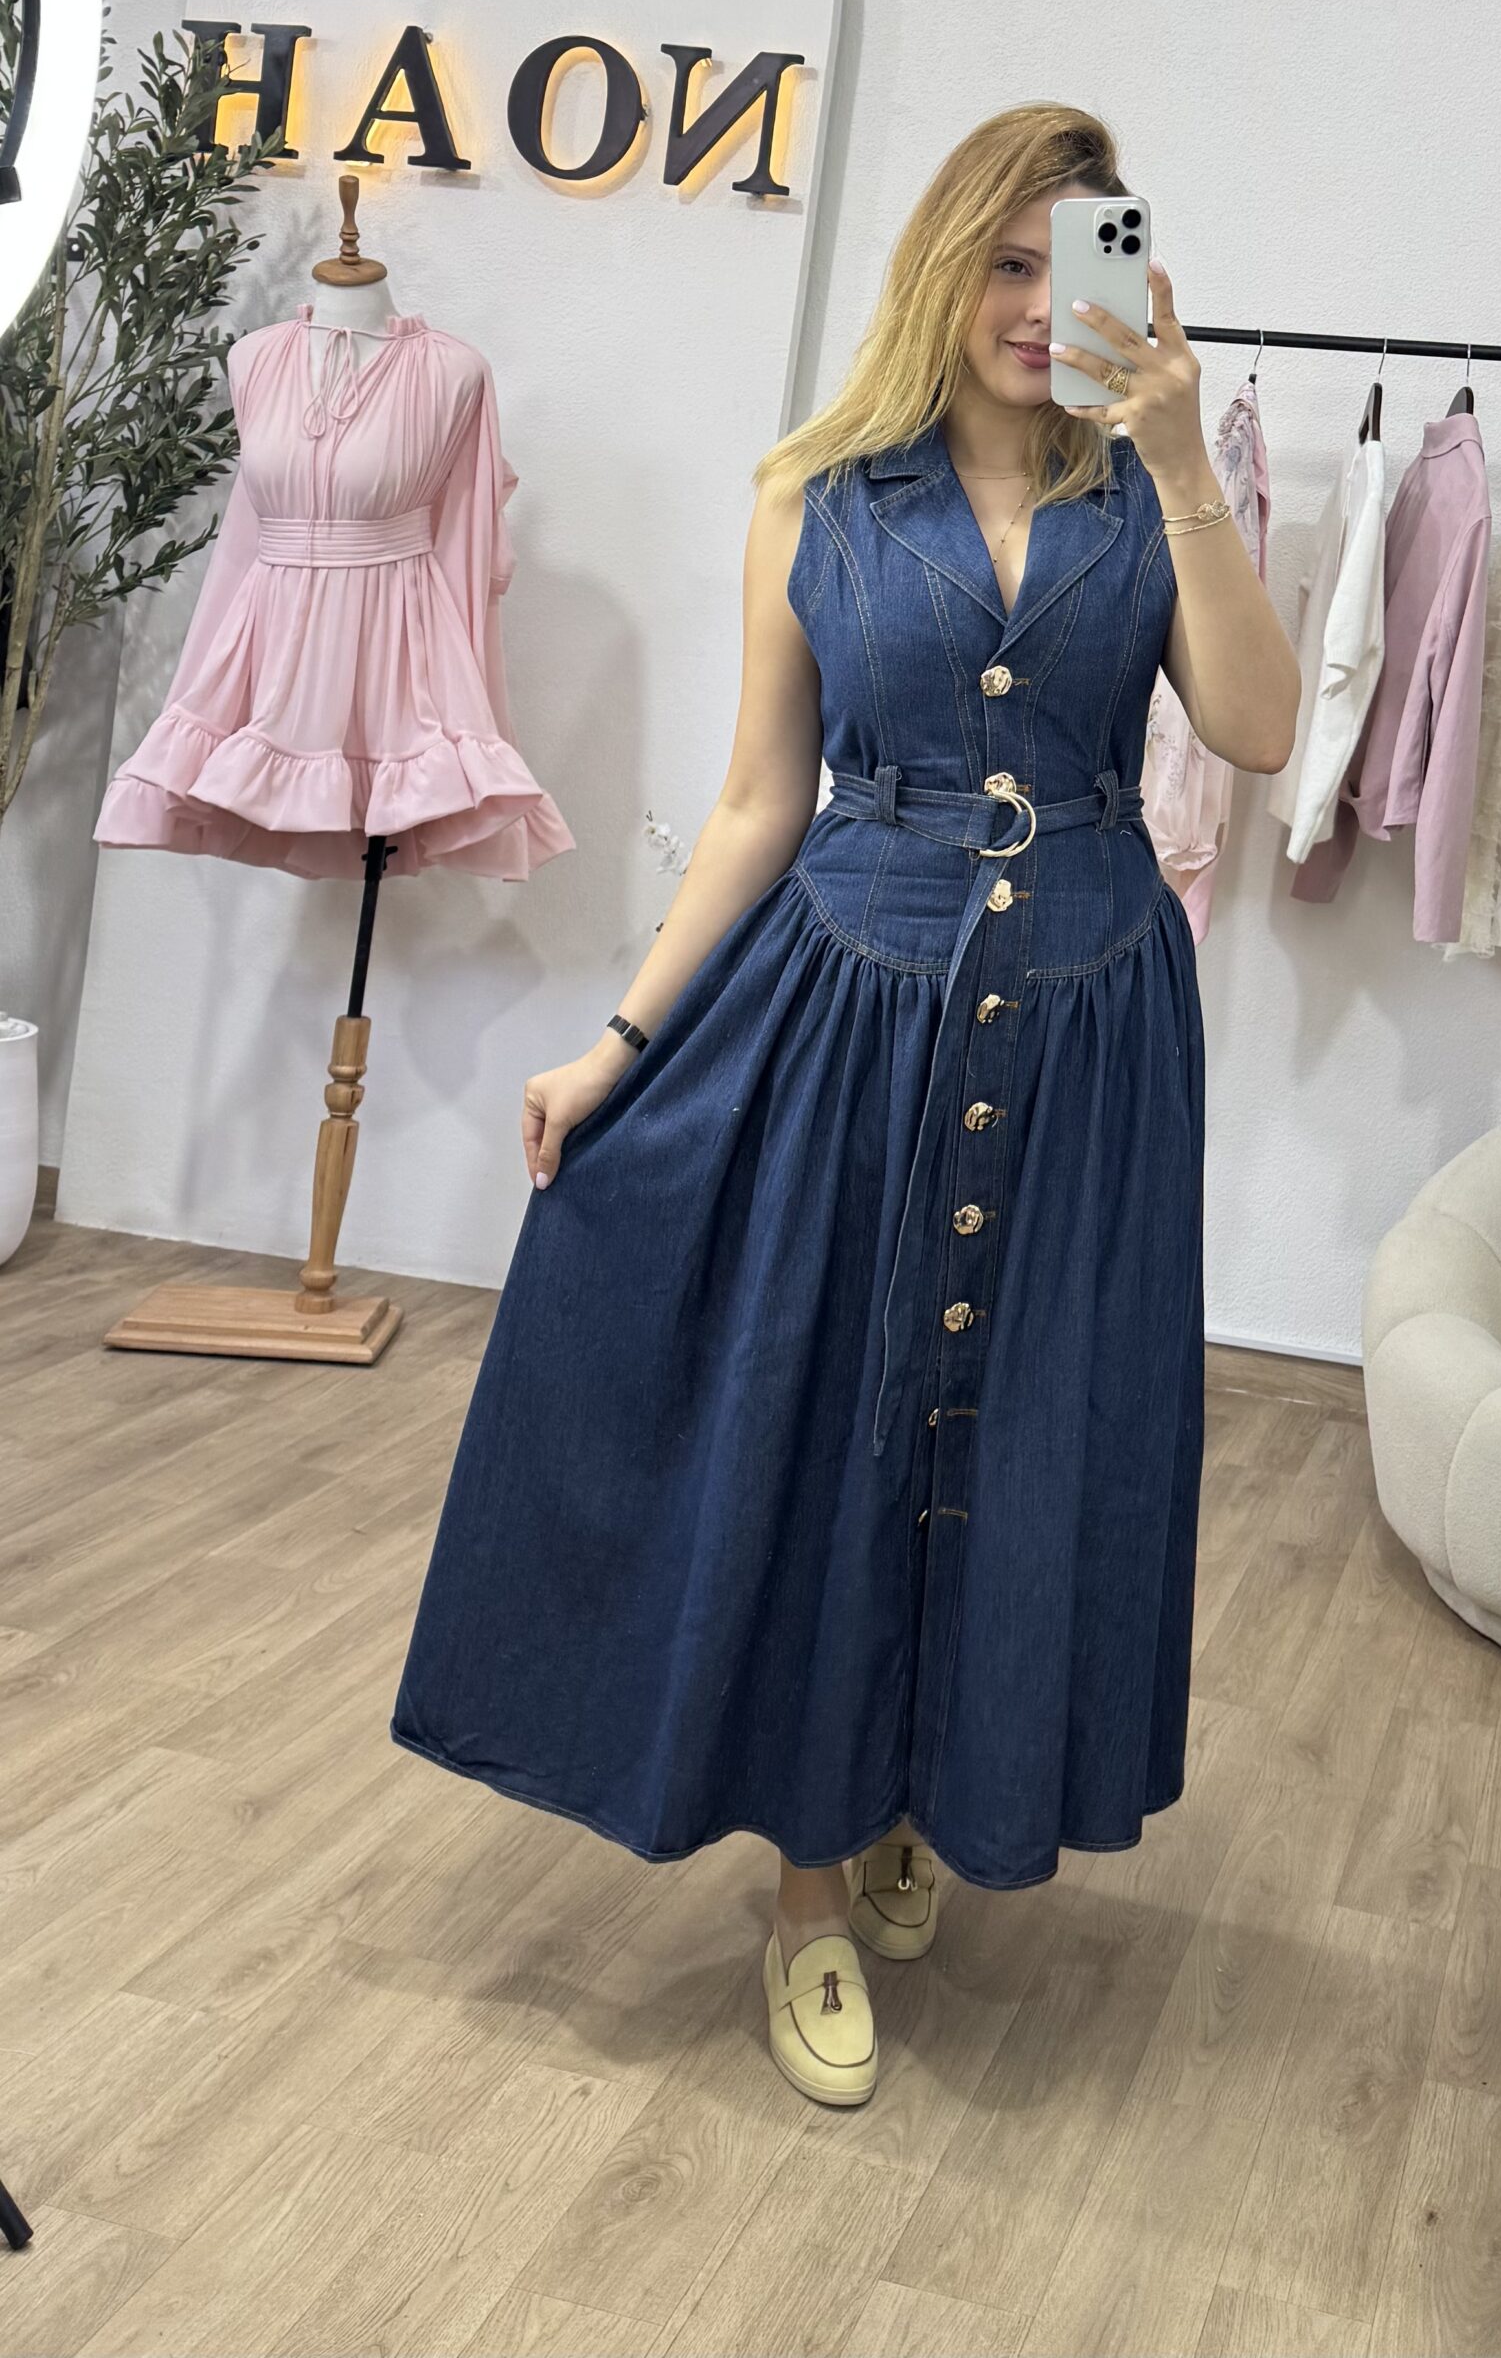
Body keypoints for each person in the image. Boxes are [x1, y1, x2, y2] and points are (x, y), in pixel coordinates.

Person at [388, 102, 1300, 2109]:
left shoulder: (1154, 493)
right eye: (1005, 260)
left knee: (1025, 1428)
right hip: (849, 1011)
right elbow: (756, 799)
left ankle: (922, 1796)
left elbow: (1252, 728)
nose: (1036, 304)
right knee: (832, 1430)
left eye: (1074, 264)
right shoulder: (815, 496)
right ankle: (808, 1885)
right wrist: (618, 1041)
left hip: (1089, 1032)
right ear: (939, 266)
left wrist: (1180, 461)